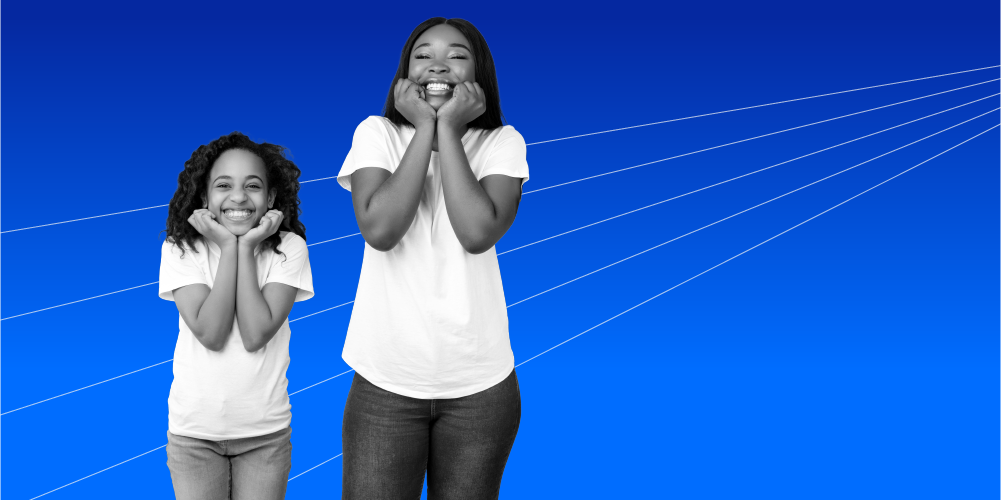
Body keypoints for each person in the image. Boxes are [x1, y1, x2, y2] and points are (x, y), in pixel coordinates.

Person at [336, 17, 528, 500]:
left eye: (457, 55)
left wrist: (450, 133)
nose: (437, 64)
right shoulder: (376, 133)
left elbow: (477, 232)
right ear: (404, 74)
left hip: (480, 389)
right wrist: (425, 126)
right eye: (423, 55)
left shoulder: (503, 143)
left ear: (478, 74)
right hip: (385, 383)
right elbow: (380, 230)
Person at [158, 132, 313, 500]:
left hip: (265, 436)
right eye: (223, 185)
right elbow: (211, 333)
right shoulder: (181, 248)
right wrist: (230, 246)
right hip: (194, 435)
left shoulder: (289, 249)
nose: (239, 197)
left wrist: (245, 248)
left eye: (253, 186)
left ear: (271, 198)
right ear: (204, 197)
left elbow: (255, 332)